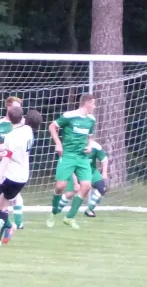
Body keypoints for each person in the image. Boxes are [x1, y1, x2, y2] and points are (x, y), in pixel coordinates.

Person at [0, 107, 43, 246]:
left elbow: (5, 161)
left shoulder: (12, 135)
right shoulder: (28, 131)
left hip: (10, 175)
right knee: (2, 206)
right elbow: (11, 146)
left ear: (8, 118)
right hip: (22, 177)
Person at [47, 93, 96, 230]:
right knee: (60, 186)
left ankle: (69, 217)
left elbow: (90, 137)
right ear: (87, 104)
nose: (95, 106)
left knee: (86, 186)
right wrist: (58, 143)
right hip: (68, 155)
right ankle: (54, 211)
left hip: (82, 157)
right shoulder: (69, 116)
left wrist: (89, 146)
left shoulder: (91, 120)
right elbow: (52, 126)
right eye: (93, 103)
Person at [0, 97, 25, 229]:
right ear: (8, 107)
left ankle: (16, 223)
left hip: (16, 164)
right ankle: (2, 219)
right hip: (3, 163)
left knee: (14, 194)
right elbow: (0, 143)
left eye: (20, 107)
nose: (18, 109)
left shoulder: (23, 124)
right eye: (16, 107)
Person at [52, 141, 109, 217]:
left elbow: (104, 159)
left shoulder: (95, 146)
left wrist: (104, 172)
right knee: (70, 194)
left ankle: (89, 210)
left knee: (103, 187)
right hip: (73, 172)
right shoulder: (73, 146)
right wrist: (76, 183)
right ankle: (56, 211)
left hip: (91, 172)